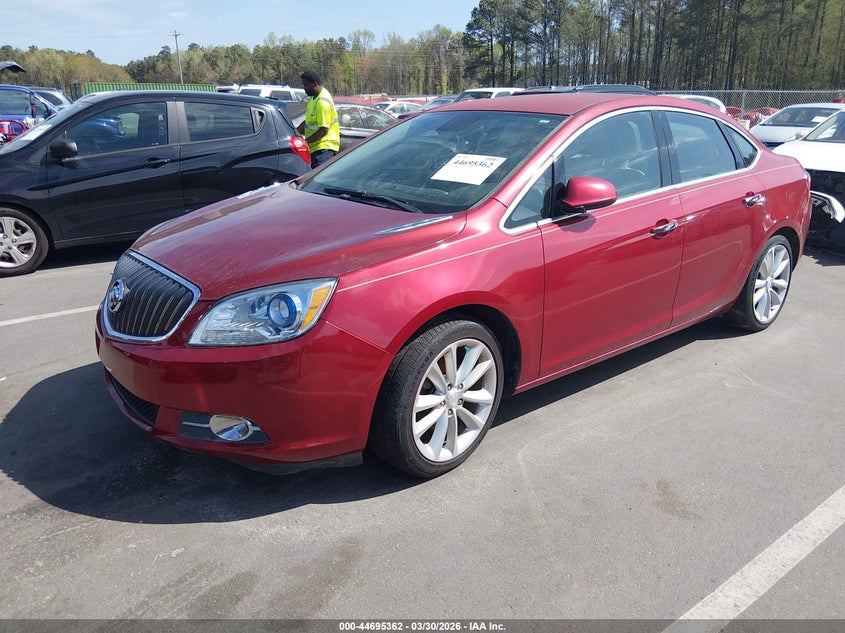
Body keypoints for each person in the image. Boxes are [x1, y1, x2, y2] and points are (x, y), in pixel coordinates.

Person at [297, 70, 340, 167]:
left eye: (306, 85)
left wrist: (305, 142)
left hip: (323, 149)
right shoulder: (314, 98)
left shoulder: (322, 102)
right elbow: (307, 123)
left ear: (315, 84)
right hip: (317, 149)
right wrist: (294, 132)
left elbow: (323, 130)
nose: (304, 88)